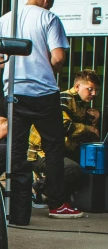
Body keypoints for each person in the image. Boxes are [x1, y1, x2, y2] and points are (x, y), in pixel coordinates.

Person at [0, 0, 81, 223]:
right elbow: (59, 57)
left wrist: (13, 71)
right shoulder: (49, 18)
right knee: (53, 148)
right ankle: (56, 203)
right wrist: (47, 71)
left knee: (16, 151)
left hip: (15, 93)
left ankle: (17, 210)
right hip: (43, 94)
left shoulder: (5, 19)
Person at [28, 70, 102, 205]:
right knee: (73, 170)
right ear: (78, 86)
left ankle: (58, 197)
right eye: (90, 89)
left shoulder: (80, 103)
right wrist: (87, 127)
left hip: (58, 151)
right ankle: (37, 187)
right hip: (40, 152)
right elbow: (64, 127)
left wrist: (93, 120)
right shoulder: (64, 99)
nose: (93, 94)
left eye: (96, 91)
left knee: (88, 168)